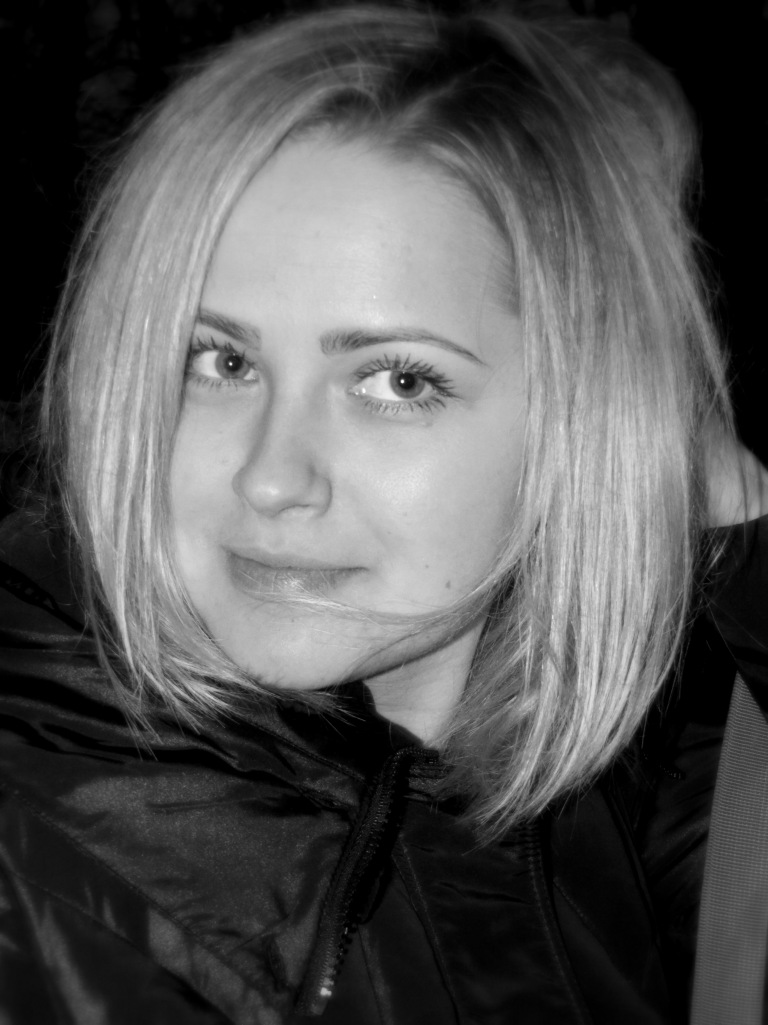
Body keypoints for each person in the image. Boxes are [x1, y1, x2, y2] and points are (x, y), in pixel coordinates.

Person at [0, 5, 764, 1023]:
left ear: (588, 416)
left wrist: (734, 523)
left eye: (397, 381)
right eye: (218, 360)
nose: (273, 479)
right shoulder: (41, 863)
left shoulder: (628, 742)